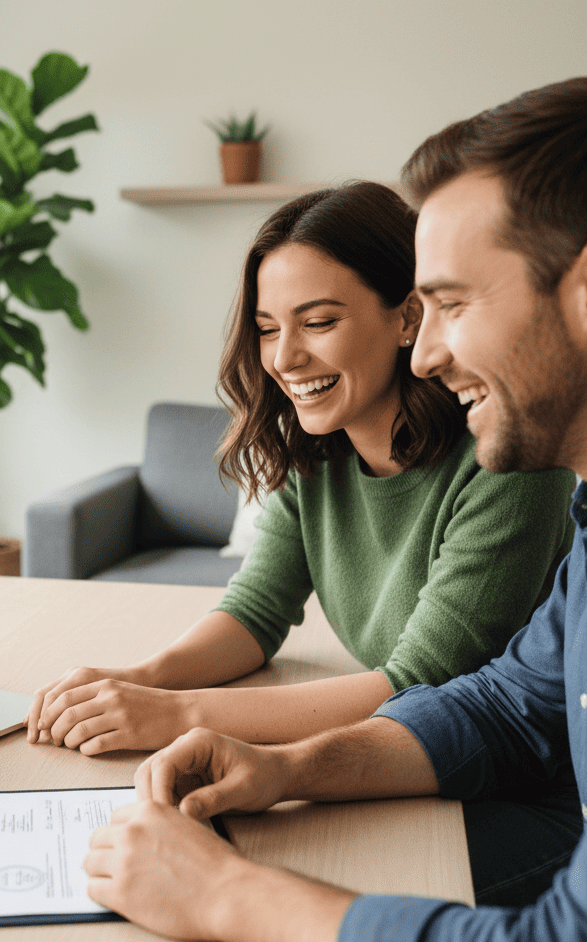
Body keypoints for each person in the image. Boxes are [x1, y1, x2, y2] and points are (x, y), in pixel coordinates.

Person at [82, 76, 587, 942]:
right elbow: (503, 706)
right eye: (267, 327)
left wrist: (224, 895)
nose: (428, 353)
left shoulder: (511, 469)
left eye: (452, 303)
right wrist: (284, 767)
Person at [26, 181, 575, 756]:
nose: (284, 358)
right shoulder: (316, 453)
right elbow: (255, 612)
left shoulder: (509, 461)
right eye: (267, 329)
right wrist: (139, 680)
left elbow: (419, 684)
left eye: (318, 322)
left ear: (408, 318)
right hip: (410, 751)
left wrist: (177, 714)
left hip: (511, 769)